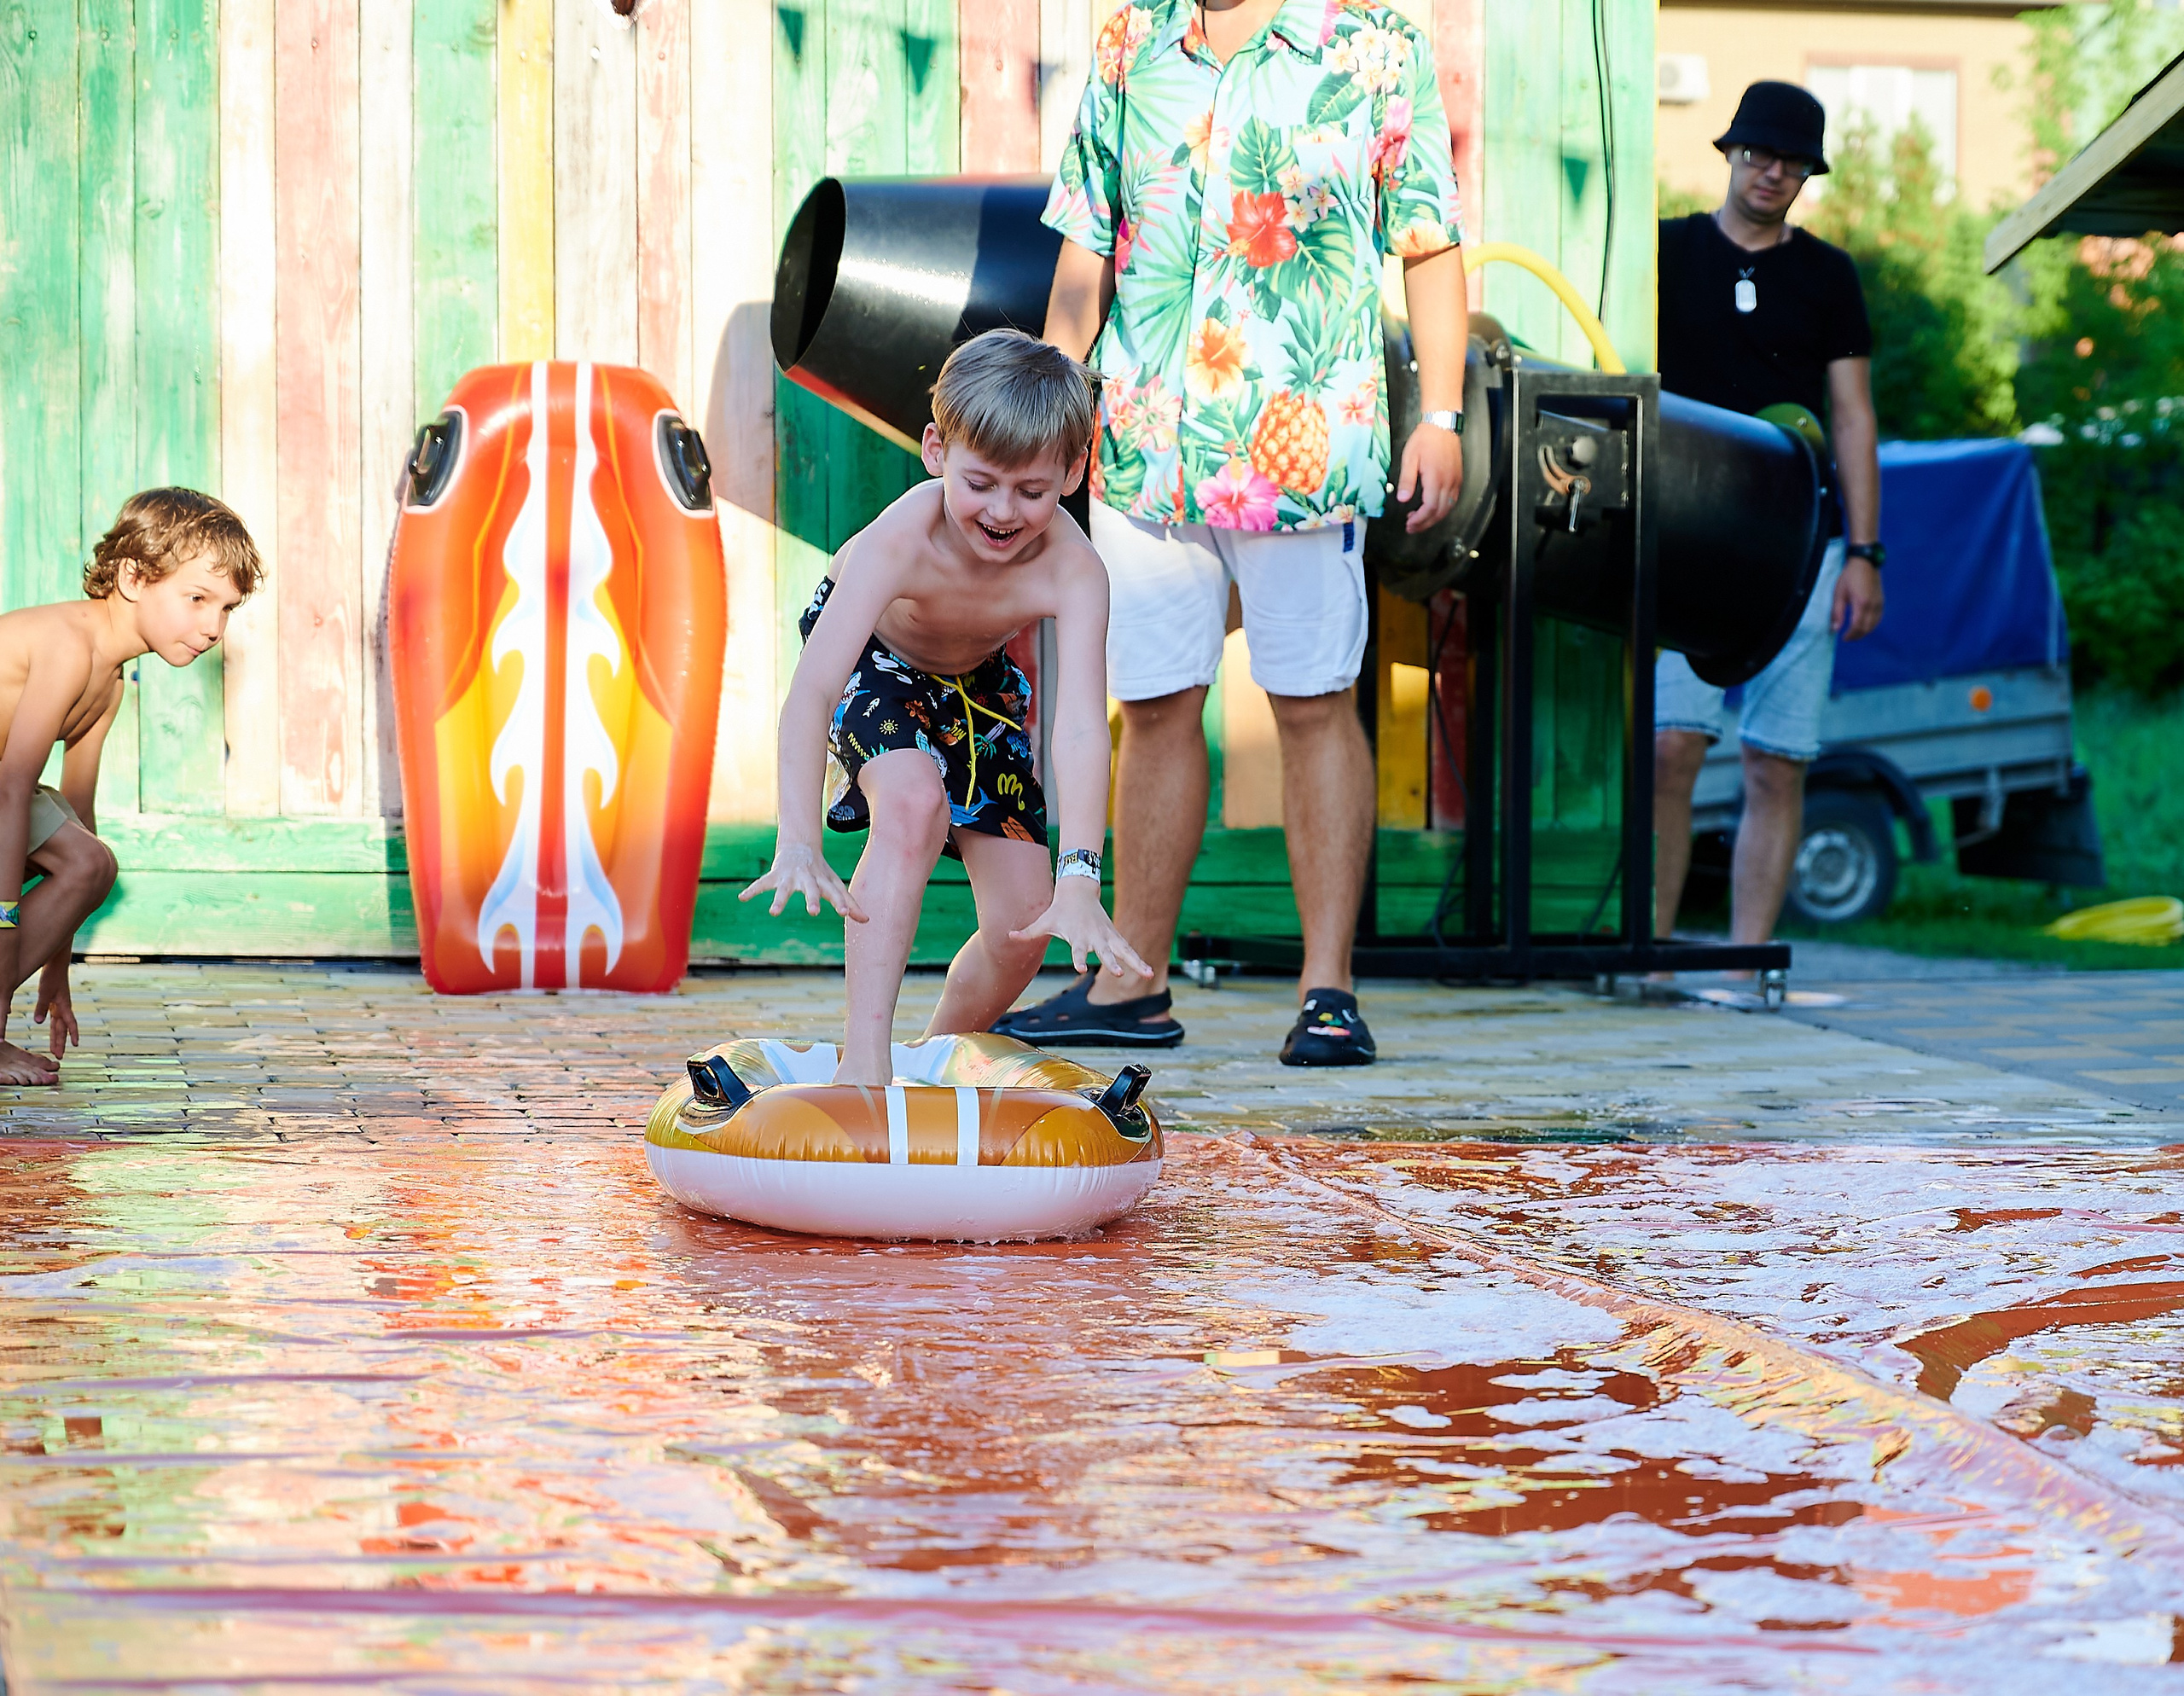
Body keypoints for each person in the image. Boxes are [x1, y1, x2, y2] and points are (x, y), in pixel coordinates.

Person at [999, 0, 1469, 1066]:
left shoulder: (1376, 46)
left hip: (1301, 435)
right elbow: (1085, 247)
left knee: (1310, 701)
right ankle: (1132, 979)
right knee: (1155, 701)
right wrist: (1048, 425)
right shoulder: (1131, 39)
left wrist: (1437, 417)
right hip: (1145, 443)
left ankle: (1327, 990)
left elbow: (1429, 240)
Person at [742, 329, 1152, 1086]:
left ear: (1071, 471)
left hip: (977, 684)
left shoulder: (1076, 570)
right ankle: (863, 1071)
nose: (1003, 511)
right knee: (911, 802)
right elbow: (812, 691)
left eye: (1031, 491)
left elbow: (1083, 730)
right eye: (981, 483)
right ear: (936, 451)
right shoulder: (904, 538)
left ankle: (928, 1062)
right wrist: (796, 839)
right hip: (879, 659)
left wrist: (1080, 879)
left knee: (1025, 925)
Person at [1653, 81, 1885, 970]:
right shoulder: (1667, 250)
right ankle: (1656, 955)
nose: (1771, 171)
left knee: (1775, 758)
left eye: (1790, 161)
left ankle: (1748, 960)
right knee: (1673, 749)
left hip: (1801, 544)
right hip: (1685, 536)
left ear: (1805, 174)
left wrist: (1864, 551)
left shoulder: (1828, 275)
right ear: (1729, 155)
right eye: (1757, 153)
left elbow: (1853, 414)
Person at [0, 488, 263, 1086]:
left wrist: (54, 966)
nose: (212, 626)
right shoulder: (68, 646)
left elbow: (76, 822)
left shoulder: (110, 682)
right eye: (197, 598)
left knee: (92, 862)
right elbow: (12, 791)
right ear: (133, 577)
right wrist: (6, 919)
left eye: (226, 609)